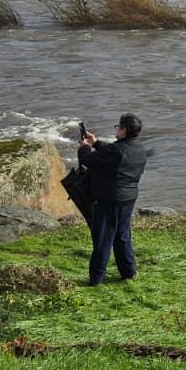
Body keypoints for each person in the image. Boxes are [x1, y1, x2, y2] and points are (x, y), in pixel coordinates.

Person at [76, 114, 148, 286]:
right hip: (128, 198)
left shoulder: (116, 151)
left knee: (103, 238)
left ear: (123, 131)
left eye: (118, 126)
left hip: (109, 200)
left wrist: (84, 147)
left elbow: (88, 160)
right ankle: (128, 272)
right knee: (122, 236)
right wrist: (96, 143)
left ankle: (97, 278)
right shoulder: (139, 148)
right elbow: (113, 154)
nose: (116, 129)